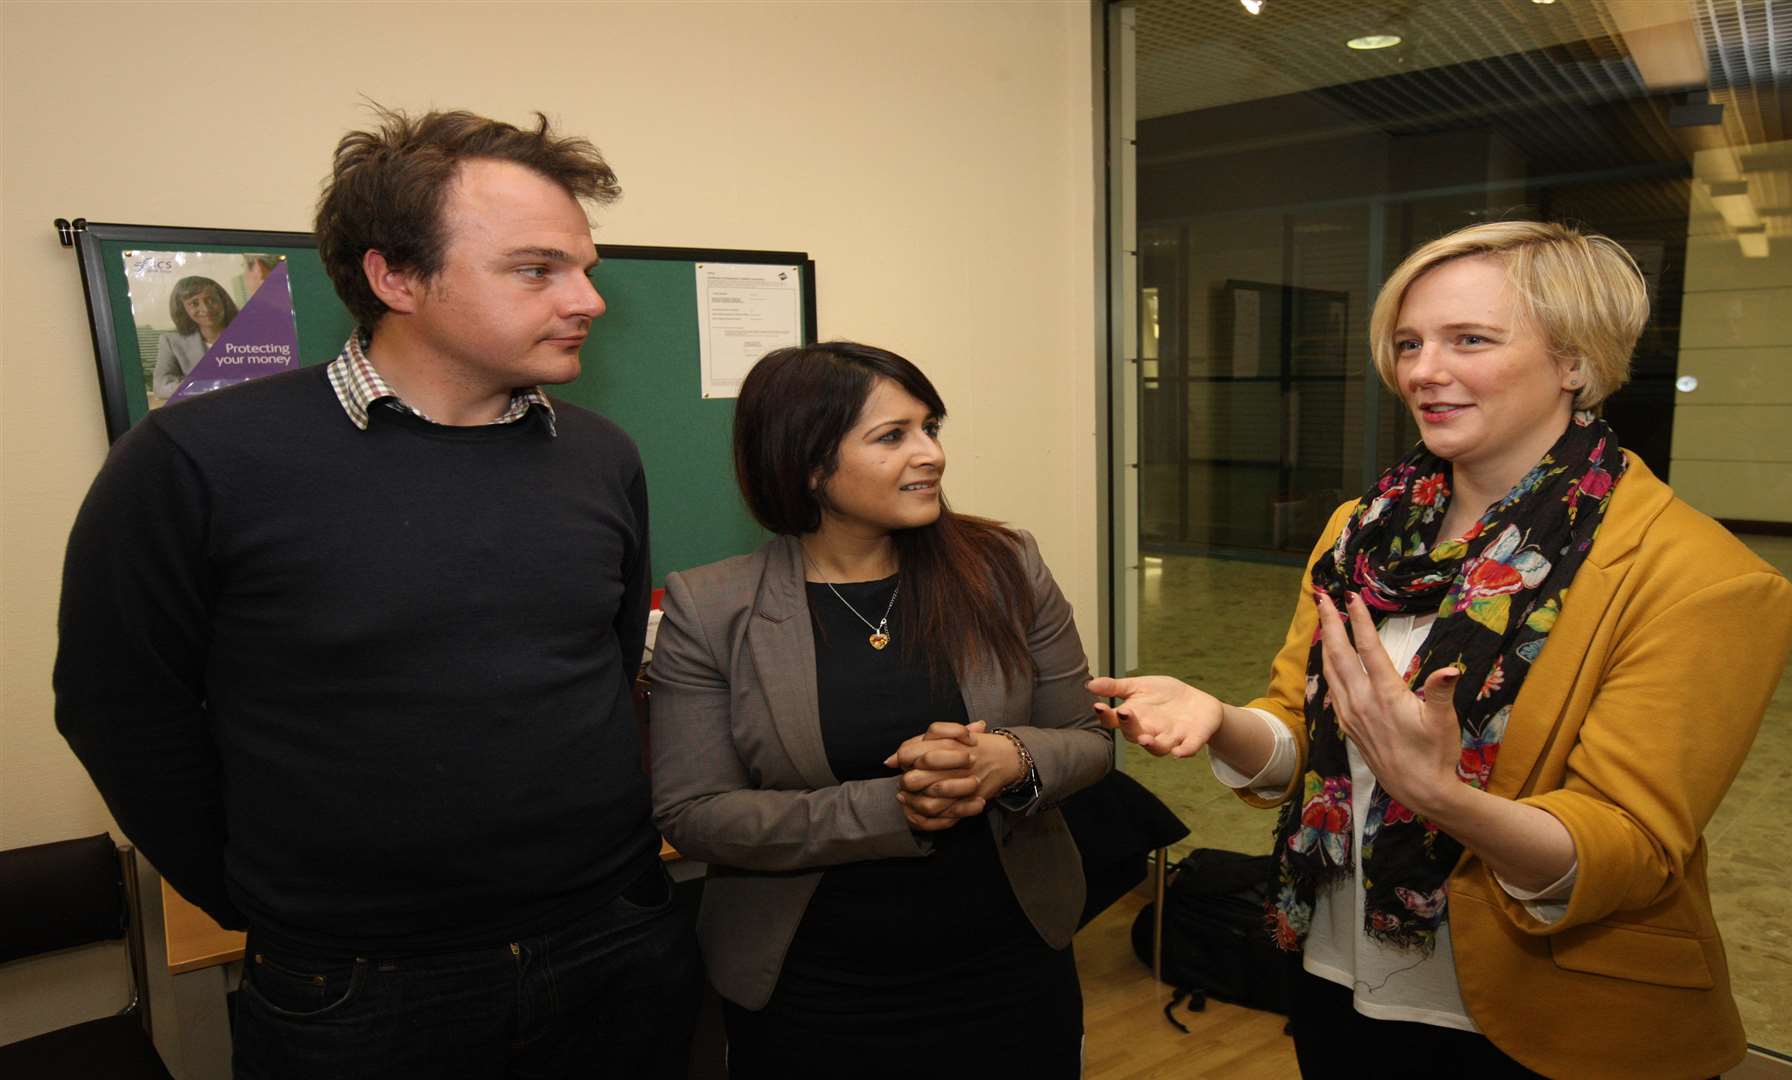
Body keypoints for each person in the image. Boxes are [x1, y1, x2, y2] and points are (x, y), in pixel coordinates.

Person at [55, 107, 699, 1079]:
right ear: (394, 276)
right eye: (538, 269)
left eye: (585, 267)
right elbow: (122, 713)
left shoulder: (601, 455)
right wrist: (255, 898)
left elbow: (607, 664)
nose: (588, 299)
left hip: (613, 937)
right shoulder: (194, 462)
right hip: (360, 986)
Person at [1092, 221, 1792, 1078]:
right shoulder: (1362, 534)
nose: (1425, 371)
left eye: (1471, 340)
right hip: (1335, 975)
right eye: (1409, 343)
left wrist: (1440, 796)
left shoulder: (1700, 577)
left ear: (1576, 362)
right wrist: (1222, 724)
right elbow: (1302, 742)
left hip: (1546, 1026)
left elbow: (1630, 851)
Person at [650, 341, 1111, 1075]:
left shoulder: (1006, 566)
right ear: (807, 463)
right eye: (893, 436)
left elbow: (1087, 741)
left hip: (1010, 964)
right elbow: (695, 814)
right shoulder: (711, 607)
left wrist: (1011, 761)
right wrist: (892, 808)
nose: (931, 454)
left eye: (931, 427)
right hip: (812, 986)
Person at [150, 275, 239, 399]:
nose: (206, 309)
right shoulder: (171, 341)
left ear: (223, 301)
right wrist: (201, 386)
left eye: (211, 300)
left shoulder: (249, 333)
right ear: (183, 309)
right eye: (194, 303)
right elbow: (160, 387)